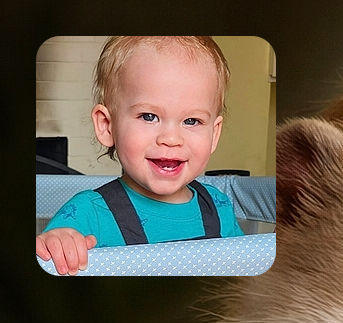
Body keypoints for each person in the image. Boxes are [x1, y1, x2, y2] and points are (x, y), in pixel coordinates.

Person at [36, 36, 243, 275]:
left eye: (191, 120)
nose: (171, 138)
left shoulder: (218, 206)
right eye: (148, 116)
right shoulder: (87, 213)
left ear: (214, 134)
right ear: (107, 126)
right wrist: (59, 244)